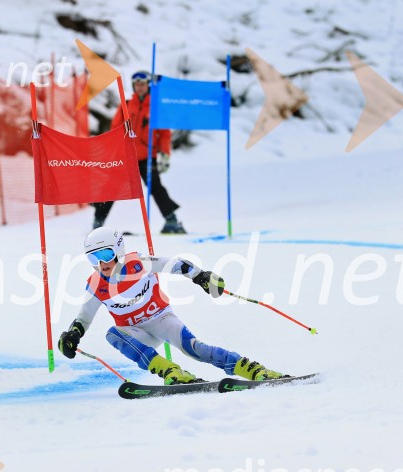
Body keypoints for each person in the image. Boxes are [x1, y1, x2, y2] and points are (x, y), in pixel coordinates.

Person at [56, 227, 289, 384]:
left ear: (118, 250)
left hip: (161, 320)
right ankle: (171, 371)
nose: (101, 263)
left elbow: (177, 264)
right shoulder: (96, 284)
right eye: (93, 258)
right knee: (112, 335)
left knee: (195, 350)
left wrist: (201, 277)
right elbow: (84, 318)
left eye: (105, 254)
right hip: (136, 334)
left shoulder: (139, 264)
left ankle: (253, 370)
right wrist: (72, 335)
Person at [91, 70, 186, 234]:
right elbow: (115, 129)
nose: (139, 87)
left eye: (142, 84)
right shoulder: (127, 105)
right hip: (125, 156)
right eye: (136, 84)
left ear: (148, 85)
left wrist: (165, 154)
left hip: (147, 157)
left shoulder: (156, 107)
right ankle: (98, 222)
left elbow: (164, 134)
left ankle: (171, 219)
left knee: (156, 187)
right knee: (111, 187)